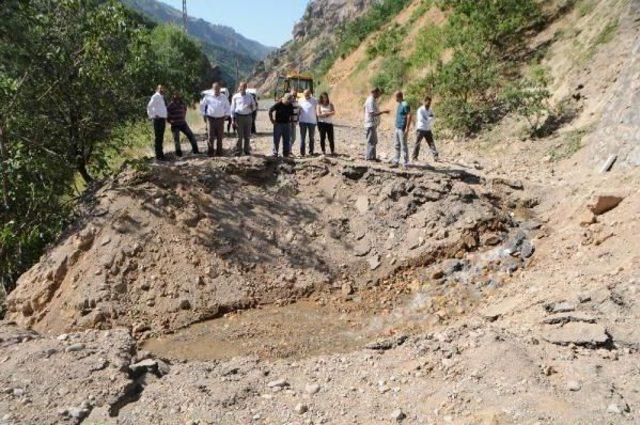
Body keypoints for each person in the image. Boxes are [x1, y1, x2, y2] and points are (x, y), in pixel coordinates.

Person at [200, 82, 231, 156]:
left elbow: (228, 107)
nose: (216, 90)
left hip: (220, 119)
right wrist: (204, 115)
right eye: (215, 88)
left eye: (218, 88)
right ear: (212, 89)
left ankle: (219, 152)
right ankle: (210, 152)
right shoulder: (208, 96)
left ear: (220, 89)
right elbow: (202, 106)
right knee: (210, 136)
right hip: (210, 119)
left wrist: (226, 115)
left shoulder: (223, 97)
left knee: (220, 136)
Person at [167, 92, 199, 157]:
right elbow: (167, 115)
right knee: (177, 140)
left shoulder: (182, 104)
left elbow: (185, 111)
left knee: (191, 136)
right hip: (175, 125)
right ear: (173, 96)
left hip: (183, 123)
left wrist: (182, 118)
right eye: (175, 95)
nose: (177, 96)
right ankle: (179, 155)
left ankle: (196, 151)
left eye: (178, 95)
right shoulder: (170, 105)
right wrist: (171, 121)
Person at [230, 82, 257, 156]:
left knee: (247, 135)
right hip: (238, 117)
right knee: (239, 136)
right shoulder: (235, 96)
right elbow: (232, 108)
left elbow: (254, 107)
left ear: (246, 88)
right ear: (239, 87)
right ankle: (238, 151)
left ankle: (247, 151)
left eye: (245, 87)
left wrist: (251, 107)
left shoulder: (250, 96)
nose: (243, 88)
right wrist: (232, 119)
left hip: (248, 117)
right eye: (242, 87)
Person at [363, 87, 390, 161]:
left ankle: (373, 157)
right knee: (371, 141)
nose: (379, 95)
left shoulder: (373, 100)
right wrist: (383, 112)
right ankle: (369, 157)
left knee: (374, 141)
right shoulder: (370, 100)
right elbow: (372, 113)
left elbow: (364, 108)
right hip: (370, 123)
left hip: (372, 123)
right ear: (374, 92)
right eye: (378, 93)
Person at [413, 96, 439, 162]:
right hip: (421, 128)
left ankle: (435, 156)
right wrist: (428, 119)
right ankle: (414, 157)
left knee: (431, 143)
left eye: (430, 102)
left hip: (427, 128)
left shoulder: (430, 110)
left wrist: (428, 119)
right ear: (425, 102)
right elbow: (421, 119)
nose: (429, 104)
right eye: (428, 102)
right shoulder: (420, 110)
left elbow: (433, 117)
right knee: (418, 143)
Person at [147, 85, 168, 160]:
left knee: (160, 137)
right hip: (158, 120)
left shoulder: (161, 97)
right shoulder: (156, 96)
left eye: (163, 88)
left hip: (162, 119)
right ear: (158, 89)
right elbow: (149, 106)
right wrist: (152, 115)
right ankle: (158, 155)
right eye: (160, 88)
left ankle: (160, 154)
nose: (162, 89)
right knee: (158, 137)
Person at [392, 91, 412, 168]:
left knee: (403, 145)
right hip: (397, 127)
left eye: (395, 97)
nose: (394, 99)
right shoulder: (400, 104)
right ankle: (396, 161)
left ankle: (405, 163)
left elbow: (409, 115)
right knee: (397, 145)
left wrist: (407, 129)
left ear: (399, 97)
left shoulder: (405, 104)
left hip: (402, 128)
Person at [298, 89, 318, 156]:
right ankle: (302, 153)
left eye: (308, 94)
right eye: (305, 94)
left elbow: (318, 109)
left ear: (310, 94)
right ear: (303, 94)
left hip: (312, 122)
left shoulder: (314, 100)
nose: (306, 95)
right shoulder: (300, 100)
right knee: (302, 138)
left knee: (311, 138)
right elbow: (297, 110)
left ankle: (311, 152)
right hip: (302, 121)